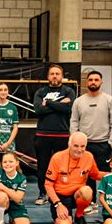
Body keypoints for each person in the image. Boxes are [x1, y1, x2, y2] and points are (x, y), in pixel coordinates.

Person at [70, 70, 112, 215]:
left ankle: (110, 202)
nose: (93, 82)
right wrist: (75, 140)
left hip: (103, 144)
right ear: (87, 82)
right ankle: (91, 203)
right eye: (91, 80)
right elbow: (74, 121)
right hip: (84, 146)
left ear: (101, 82)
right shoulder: (79, 101)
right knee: (86, 175)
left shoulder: (109, 100)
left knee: (105, 175)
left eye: (96, 80)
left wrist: (111, 141)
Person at [44, 132, 106, 224]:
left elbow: (95, 175)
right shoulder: (57, 158)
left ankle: (79, 215)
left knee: (87, 191)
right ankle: (66, 217)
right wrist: (58, 205)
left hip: (77, 195)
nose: (79, 149)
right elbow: (48, 185)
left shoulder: (89, 157)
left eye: (83, 146)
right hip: (60, 197)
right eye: (76, 146)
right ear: (69, 145)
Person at [33, 64, 75, 205]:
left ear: (62, 76)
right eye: (52, 73)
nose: (55, 76)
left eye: (57, 73)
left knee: (62, 167)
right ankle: (42, 193)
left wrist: (48, 103)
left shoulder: (69, 91)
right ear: (48, 76)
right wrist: (58, 104)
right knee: (42, 166)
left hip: (62, 135)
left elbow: (68, 109)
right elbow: (38, 110)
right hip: (43, 134)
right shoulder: (40, 92)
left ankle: (60, 193)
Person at [0, 152, 30, 224]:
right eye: (5, 162)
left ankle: (12, 219)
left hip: (16, 205)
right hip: (3, 203)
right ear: (2, 164)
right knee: (1, 196)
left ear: (17, 163)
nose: (7, 164)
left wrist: (3, 187)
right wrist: (12, 192)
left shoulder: (22, 178)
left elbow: (17, 199)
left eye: (11, 161)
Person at [0, 83, 19, 173]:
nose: (3, 92)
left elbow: (15, 127)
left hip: (9, 145)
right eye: (0, 90)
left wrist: (8, 143)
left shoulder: (12, 107)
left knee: (10, 169)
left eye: (5, 90)